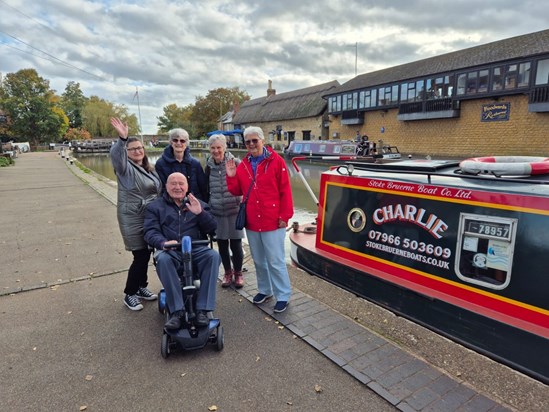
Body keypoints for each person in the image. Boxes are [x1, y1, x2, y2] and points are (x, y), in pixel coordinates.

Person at [225, 126, 294, 313]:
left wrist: (285, 216)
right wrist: (231, 177)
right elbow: (236, 190)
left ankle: (283, 295)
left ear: (262, 140)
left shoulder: (276, 161)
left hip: (273, 219)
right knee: (259, 260)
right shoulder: (243, 164)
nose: (251, 144)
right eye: (248, 141)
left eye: (255, 140)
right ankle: (265, 290)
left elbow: (285, 191)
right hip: (253, 220)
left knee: (275, 260)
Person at [144, 172, 221, 329]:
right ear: (166, 186)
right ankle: (177, 311)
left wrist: (201, 214)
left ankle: (203, 309)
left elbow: (212, 228)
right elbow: (150, 231)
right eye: (173, 183)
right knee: (164, 260)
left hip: (196, 248)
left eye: (181, 184)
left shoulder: (198, 204)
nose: (177, 187)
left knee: (213, 256)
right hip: (171, 250)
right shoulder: (155, 207)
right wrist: (163, 242)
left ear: (187, 187)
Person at [110, 117, 162, 311]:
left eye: (140, 148)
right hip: (133, 218)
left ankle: (141, 287)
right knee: (140, 256)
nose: (138, 151)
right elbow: (116, 156)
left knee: (146, 254)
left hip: (148, 217)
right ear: (127, 153)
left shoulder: (148, 168)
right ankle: (130, 293)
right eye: (133, 149)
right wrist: (122, 140)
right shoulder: (124, 169)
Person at [206, 134, 245, 288]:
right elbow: (206, 188)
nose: (216, 151)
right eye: (213, 147)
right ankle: (227, 273)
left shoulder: (235, 162)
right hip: (217, 211)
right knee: (222, 244)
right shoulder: (208, 166)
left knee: (236, 245)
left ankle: (238, 273)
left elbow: (244, 183)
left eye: (219, 147)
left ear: (225, 147)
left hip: (234, 209)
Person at [154, 128, 208, 201]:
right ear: (171, 142)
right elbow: (161, 189)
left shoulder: (195, 164)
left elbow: (203, 187)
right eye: (175, 140)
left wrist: (203, 206)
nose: (179, 143)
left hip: (194, 203)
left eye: (182, 141)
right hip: (171, 204)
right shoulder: (161, 164)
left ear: (186, 143)